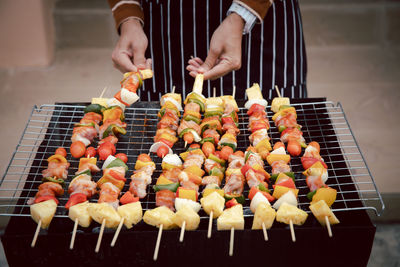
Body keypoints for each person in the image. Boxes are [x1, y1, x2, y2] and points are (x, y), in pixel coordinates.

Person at [107, 0, 307, 100]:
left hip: (262, 31)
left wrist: (244, 12)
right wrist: (128, 15)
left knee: (276, 128)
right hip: (163, 26)